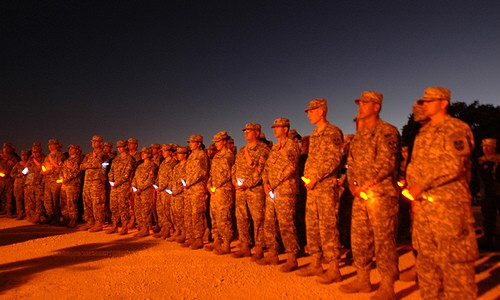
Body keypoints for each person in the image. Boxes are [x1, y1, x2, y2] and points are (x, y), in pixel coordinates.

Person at [406, 87, 478, 299]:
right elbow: (413, 166)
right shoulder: (423, 133)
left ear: (444, 103)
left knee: (456, 266)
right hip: (425, 209)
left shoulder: (456, 128)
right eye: (424, 101)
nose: (424, 105)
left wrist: (422, 184)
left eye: (429, 101)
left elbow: (454, 164)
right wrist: (413, 188)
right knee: (427, 265)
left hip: (449, 208)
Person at [340, 91, 400, 299]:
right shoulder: (358, 138)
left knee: (384, 239)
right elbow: (352, 164)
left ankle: (387, 285)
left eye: (364, 103)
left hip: (381, 194)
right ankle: (363, 278)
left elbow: (387, 162)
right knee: (359, 238)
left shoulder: (387, 132)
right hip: (360, 195)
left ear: (376, 107)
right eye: (360, 103)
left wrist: (367, 183)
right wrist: (354, 185)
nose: (360, 107)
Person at [297, 98, 344, 285]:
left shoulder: (332, 132)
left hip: (324, 187)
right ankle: (316, 262)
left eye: (311, 111)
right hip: (313, 187)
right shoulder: (315, 134)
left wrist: (316, 177)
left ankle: (334, 268)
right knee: (312, 225)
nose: (308, 114)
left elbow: (334, 159)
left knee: (328, 226)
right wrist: (308, 177)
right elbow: (312, 160)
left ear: (322, 111)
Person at [258, 118, 301, 272]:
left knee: (286, 223)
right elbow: (267, 168)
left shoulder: (292, 146)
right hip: (272, 191)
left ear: (285, 129)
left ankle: (292, 257)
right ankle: (272, 253)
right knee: (269, 221)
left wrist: (274, 183)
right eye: (274, 127)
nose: (275, 130)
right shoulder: (275, 148)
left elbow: (291, 167)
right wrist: (265, 182)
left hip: (285, 190)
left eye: (278, 127)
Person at [231, 123, 270, 260]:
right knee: (241, 218)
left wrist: (248, 184)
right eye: (245, 131)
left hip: (255, 190)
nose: (246, 133)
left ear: (257, 133)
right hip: (240, 191)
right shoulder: (242, 150)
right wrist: (234, 181)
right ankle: (245, 246)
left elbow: (262, 170)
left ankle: (259, 248)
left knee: (258, 219)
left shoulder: (263, 149)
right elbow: (234, 167)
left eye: (249, 131)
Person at [206, 131, 235, 255]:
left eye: (218, 142)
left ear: (224, 141)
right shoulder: (217, 156)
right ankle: (217, 240)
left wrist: (216, 185)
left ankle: (226, 243)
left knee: (224, 217)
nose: (216, 144)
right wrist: (209, 184)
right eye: (215, 142)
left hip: (224, 190)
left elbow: (228, 173)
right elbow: (212, 173)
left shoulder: (229, 155)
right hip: (214, 190)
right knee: (214, 216)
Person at [183, 134, 209, 250]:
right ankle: (192, 237)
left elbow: (203, 172)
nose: (190, 144)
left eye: (193, 142)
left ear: (199, 143)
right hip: (189, 189)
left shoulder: (202, 155)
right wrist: (185, 182)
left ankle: (199, 238)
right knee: (189, 213)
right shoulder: (191, 156)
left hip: (198, 188)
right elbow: (187, 172)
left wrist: (190, 182)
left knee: (197, 214)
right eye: (190, 142)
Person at [79, 135, 108, 232]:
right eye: (93, 141)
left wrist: (91, 163)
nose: (93, 143)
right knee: (87, 202)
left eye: (95, 141)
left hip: (97, 181)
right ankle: (89, 221)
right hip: (87, 181)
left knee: (97, 203)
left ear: (100, 143)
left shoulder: (103, 154)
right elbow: (81, 166)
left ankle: (99, 223)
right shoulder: (88, 155)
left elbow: (99, 165)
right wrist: (92, 163)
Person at [107, 140, 135, 235]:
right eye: (118, 147)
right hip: (114, 187)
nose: (119, 148)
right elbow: (111, 171)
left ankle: (124, 227)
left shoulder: (129, 159)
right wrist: (111, 181)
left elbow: (127, 174)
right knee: (113, 206)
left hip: (123, 186)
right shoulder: (116, 159)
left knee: (123, 206)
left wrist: (117, 183)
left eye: (121, 147)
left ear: (125, 147)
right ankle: (114, 226)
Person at [477, 138, 500, 250]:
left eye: (488, 146)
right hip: (486, 193)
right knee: (488, 217)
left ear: (494, 147)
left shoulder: (498, 160)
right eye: (484, 146)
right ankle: (489, 239)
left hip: (498, 191)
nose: (485, 148)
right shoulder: (480, 161)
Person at [132, 147, 158, 237]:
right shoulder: (140, 166)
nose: (142, 154)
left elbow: (150, 180)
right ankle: (141, 227)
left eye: (145, 153)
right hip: (137, 192)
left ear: (149, 155)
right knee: (138, 209)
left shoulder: (152, 166)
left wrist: (140, 188)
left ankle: (146, 229)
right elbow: (135, 178)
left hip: (146, 191)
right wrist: (134, 187)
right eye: (142, 153)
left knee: (146, 210)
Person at [154, 144, 178, 239]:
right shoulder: (163, 163)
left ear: (170, 152)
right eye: (162, 151)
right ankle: (163, 227)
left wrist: (163, 187)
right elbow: (159, 176)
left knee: (166, 209)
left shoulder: (173, 163)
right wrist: (156, 185)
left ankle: (168, 229)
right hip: (160, 190)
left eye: (165, 151)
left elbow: (171, 178)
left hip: (167, 190)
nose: (163, 153)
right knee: (160, 209)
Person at [42, 138, 65, 224]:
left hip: (55, 180)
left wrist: (50, 171)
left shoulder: (60, 155)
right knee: (47, 200)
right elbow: (43, 166)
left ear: (56, 145)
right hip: (47, 181)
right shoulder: (47, 157)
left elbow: (61, 168)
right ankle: (50, 216)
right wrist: (44, 171)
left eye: (52, 144)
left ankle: (57, 217)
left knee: (56, 200)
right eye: (49, 145)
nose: (50, 146)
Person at [169, 146, 189, 243]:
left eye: (180, 153)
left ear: (184, 155)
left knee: (181, 214)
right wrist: (171, 190)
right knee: (175, 213)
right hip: (174, 193)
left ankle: (184, 232)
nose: (177, 155)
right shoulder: (176, 167)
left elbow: (185, 181)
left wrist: (178, 190)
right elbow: (173, 180)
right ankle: (178, 230)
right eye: (177, 154)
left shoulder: (187, 166)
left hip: (181, 194)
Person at [60, 144, 82, 228]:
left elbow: (76, 172)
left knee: (71, 203)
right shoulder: (67, 160)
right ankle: (66, 219)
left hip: (73, 184)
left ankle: (73, 220)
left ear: (76, 150)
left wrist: (66, 179)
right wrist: (62, 179)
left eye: (72, 149)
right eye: (69, 149)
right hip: (64, 185)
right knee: (64, 203)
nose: (70, 150)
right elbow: (62, 170)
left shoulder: (78, 160)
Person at [24, 143, 45, 223]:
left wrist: (35, 162)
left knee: (39, 201)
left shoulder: (44, 159)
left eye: (36, 152)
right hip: (29, 183)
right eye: (33, 152)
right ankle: (31, 216)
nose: (34, 154)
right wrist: (27, 167)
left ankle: (40, 216)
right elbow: (25, 171)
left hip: (38, 184)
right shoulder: (30, 160)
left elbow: (42, 168)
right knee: (30, 201)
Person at [0, 143, 19, 217]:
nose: (6, 149)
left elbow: (18, 166)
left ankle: (9, 211)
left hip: (9, 179)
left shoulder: (13, 158)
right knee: (2, 196)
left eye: (8, 148)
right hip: (0, 179)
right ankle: (3, 209)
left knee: (9, 196)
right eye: (5, 148)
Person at [11, 149, 29, 220]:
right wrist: (20, 175)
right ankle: (20, 213)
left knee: (27, 200)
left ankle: (28, 214)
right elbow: (12, 174)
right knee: (19, 199)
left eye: (25, 155)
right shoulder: (17, 165)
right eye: (23, 155)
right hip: (18, 184)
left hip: (27, 184)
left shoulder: (30, 164)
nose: (24, 157)